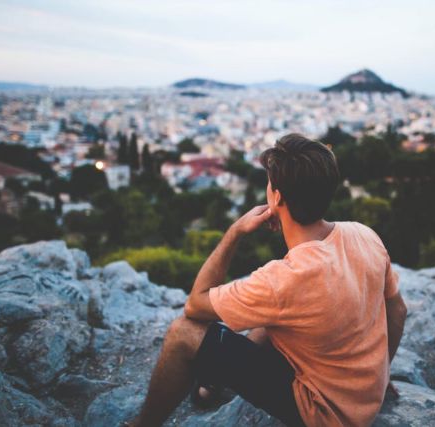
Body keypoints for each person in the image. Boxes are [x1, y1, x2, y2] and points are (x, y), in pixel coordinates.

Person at [130, 133, 407, 427]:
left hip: (323, 413)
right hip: (364, 397)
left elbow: (194, 306)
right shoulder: (364, 235)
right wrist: (379, 375)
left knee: (183, 333)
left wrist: (234, 233)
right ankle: (212, 383)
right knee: (272, 316)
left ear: (276, 197)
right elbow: (398, 311)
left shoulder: (284, 279)